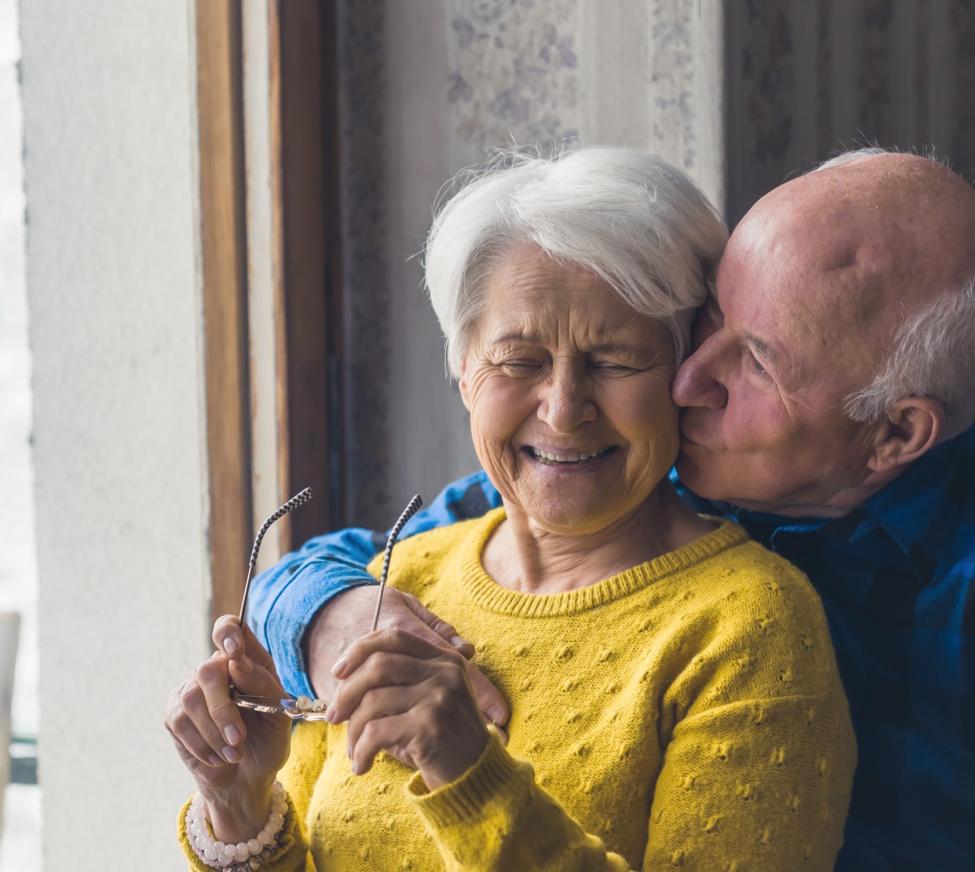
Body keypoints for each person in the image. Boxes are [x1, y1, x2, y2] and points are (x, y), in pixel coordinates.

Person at [241, 146, 975, 871]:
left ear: (895, 433)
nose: (686, 378)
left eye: (757, 361)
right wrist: (334, 619)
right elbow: (311, 576)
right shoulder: (647, 470)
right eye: (711, 317)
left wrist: (466, 769)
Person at [166, 147, 856, 871]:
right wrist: (239, 811)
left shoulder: (752, 627)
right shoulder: (396, 582)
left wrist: (470, 774)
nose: (562, 411)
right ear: (465, 372)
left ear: (684, 372)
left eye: (615, 360)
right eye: (520, 361)